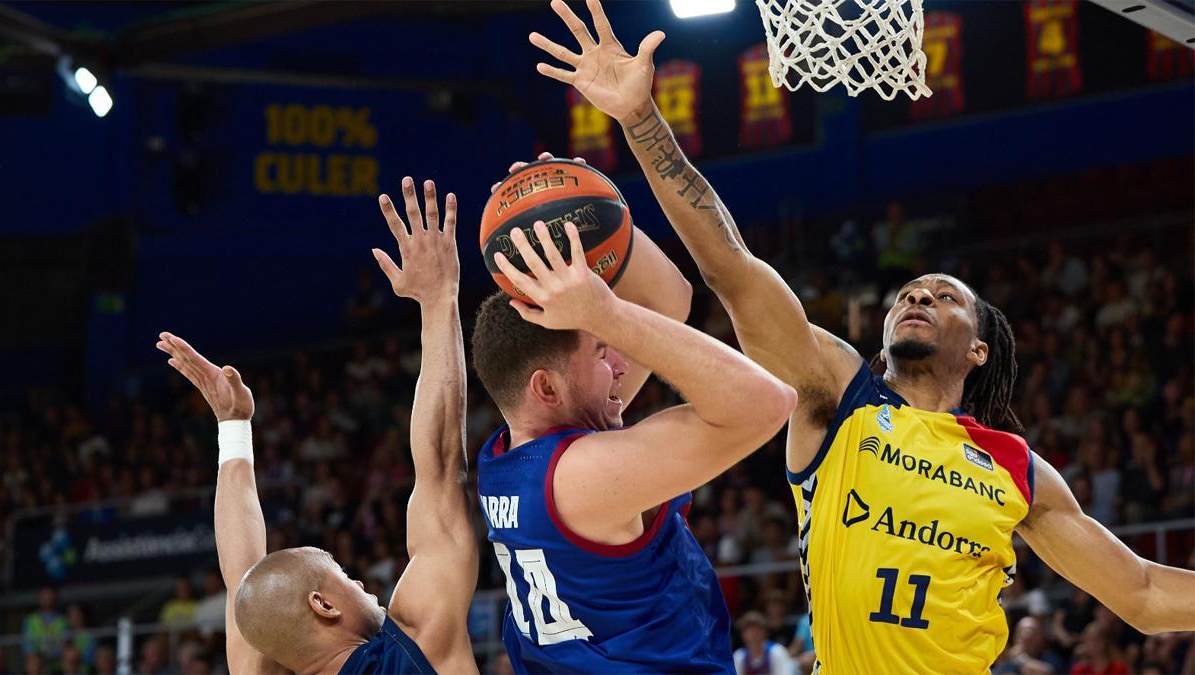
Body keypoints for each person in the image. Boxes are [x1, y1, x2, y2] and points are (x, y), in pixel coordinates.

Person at [528, 1, 1195, 671]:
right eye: (910, 291)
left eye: (944, 295)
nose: (919, 295)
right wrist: (642, 121)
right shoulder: (837, 397)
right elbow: (730, 268)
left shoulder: (1017, 469)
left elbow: (1138, 591)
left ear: (978, 348)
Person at [156, 178, 476, 674]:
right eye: (343, 576)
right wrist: (439, 298)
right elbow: (439, 466)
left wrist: (234, 425)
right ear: (323, 605)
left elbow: (244, 578)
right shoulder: (413, 650)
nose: (363, 584)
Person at [473, 208, 797, 671]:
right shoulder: (581, 475)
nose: (623, 365)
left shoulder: (507, 455)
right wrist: (606, 313)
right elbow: (767, 403)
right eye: (603, 351)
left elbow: (666, 297)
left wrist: (581, 205)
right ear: (546, 387)